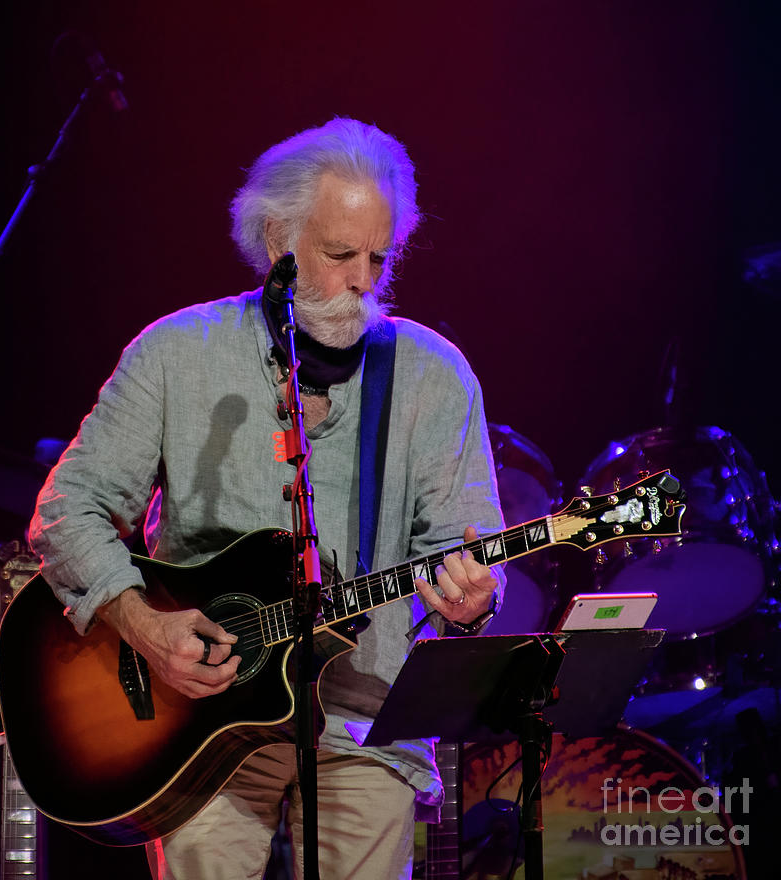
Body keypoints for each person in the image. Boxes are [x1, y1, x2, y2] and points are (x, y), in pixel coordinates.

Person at [29, 117, 504, 880]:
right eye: (340, 253)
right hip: (200, 721)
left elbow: (463, 541)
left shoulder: (432, 375)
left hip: (365, 718)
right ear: (279, 237)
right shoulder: (177, 352)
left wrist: (473, 597)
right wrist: (143, 625)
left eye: (379, 259)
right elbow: (66, 508)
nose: (362, 280)